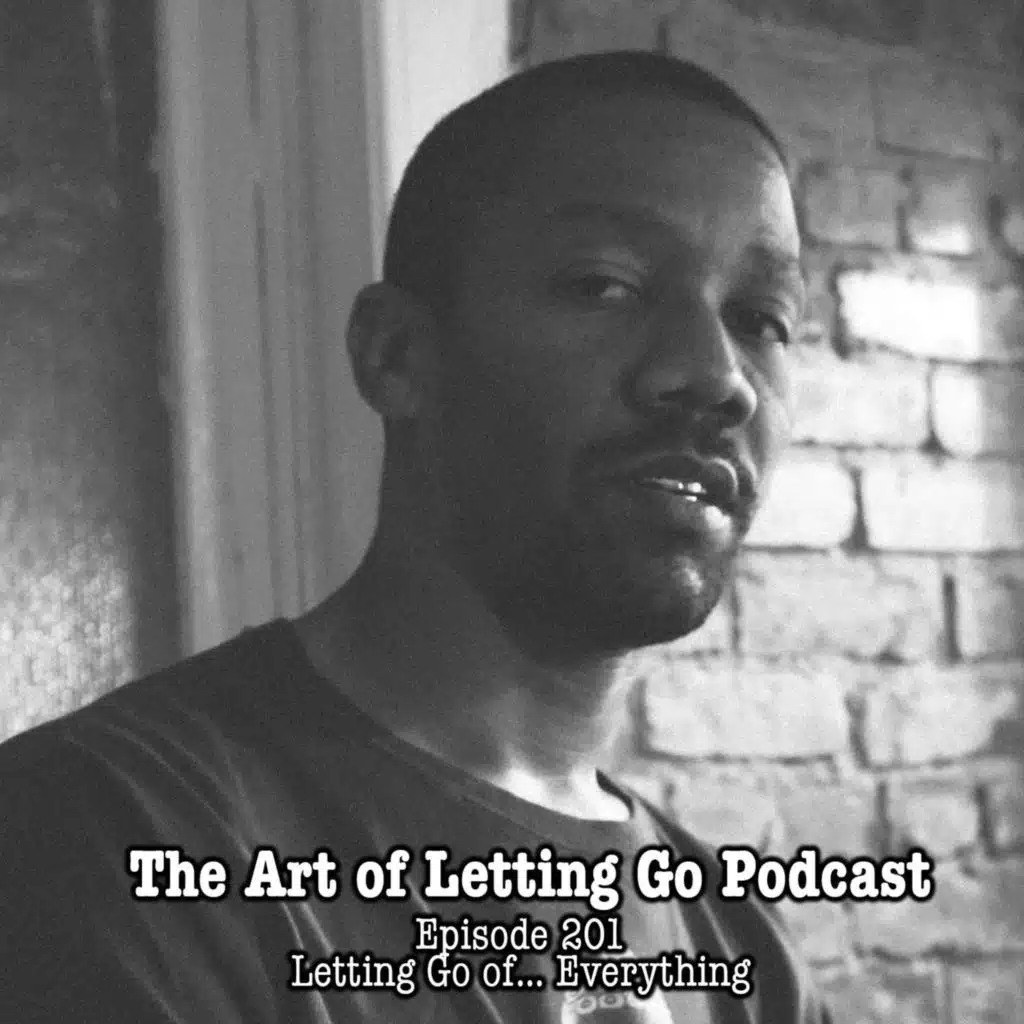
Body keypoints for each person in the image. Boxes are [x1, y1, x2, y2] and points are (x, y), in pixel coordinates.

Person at [0, 51, 830, 1023]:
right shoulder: (103, 839)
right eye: (604, 285)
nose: (714, 375)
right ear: (396, 355)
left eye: (760, 317)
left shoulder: (741, 944)